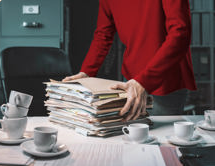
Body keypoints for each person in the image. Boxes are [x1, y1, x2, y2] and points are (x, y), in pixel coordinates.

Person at [63, 0, 197, 121]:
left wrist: (144, 81)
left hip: (165, 78)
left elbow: (180, 34)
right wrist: (87, 72)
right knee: (131, 137)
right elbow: (103, 35)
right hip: (132, 78)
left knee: (161, 141)